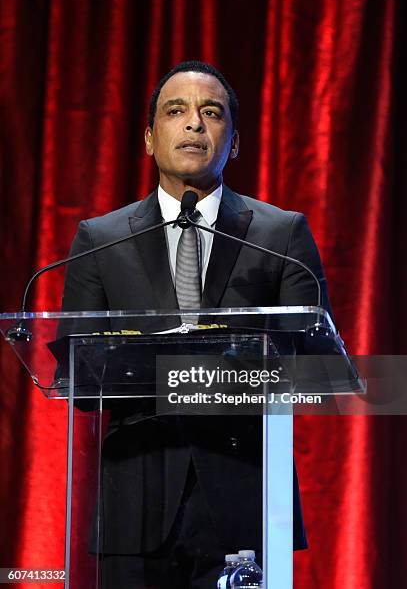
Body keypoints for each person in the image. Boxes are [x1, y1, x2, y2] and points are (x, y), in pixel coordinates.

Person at [61, 60, 331, 588]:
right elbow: (78, 376)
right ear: (148, 137)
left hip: (245, 499)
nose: (193, 124)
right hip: (134, 502)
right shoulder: (100, 239)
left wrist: (174, 372)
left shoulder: (282, 235)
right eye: (176, 111)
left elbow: (312, 368)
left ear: (233, 143)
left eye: (211, 113)